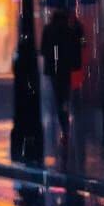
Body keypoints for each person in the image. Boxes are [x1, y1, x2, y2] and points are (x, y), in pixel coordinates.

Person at [40, 8, 84, 143]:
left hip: (54, 69)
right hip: (67, 68)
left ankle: (61, 121)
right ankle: (65, 121)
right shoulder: (69, 30)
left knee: (58, 96)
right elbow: (81, 44)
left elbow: (43, 49)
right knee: (66, 94)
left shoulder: (48, 29)